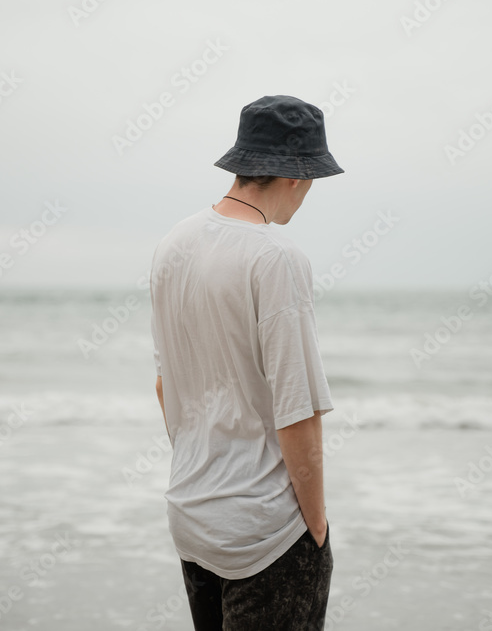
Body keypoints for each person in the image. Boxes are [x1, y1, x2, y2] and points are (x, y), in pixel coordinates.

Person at [149, 94, 343, 630]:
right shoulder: (276, 256)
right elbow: (297, 410)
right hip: (266, 529)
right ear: (297, 178)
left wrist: (204, 468)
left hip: (192, 511)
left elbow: (167, 386)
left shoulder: (174, 244)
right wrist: (318, 527)